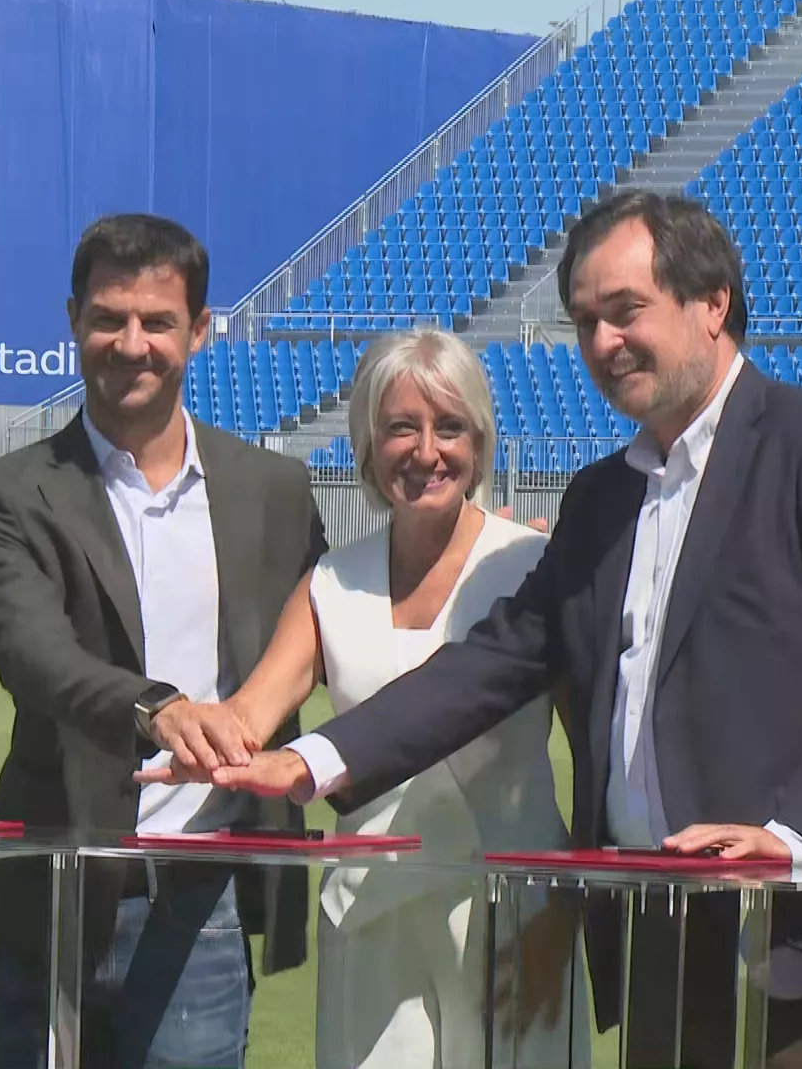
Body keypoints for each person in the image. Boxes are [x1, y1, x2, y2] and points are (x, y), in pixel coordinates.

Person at [178, 191, 802, 1068]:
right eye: (585, 322)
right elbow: (489, 665)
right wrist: (314, 760)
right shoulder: (601, 499)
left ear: (713, 304)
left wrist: (791, 839)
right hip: (652, 922)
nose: (602, 344)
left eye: (625, 312)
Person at [140, 327, 587, 1069]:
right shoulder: (330, 583)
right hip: (371, 920)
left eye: (449, 427)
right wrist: (181, 730)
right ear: (367, 446)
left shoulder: (533, 569)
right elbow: (250, 718)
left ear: (479, 441)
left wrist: (566, 914)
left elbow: (594, 759)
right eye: (400, 429)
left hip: (517, 918)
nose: (425, 451)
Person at [0, 213, 326, 1069]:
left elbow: (327, 628)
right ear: (73, 319)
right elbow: (32, 653)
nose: (131, 342)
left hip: (204, 893)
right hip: (52, 885)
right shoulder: (7, 495)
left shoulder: (273, 490)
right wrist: (154, 708)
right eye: (109, 317)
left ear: (198, 330)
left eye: (157, 321)